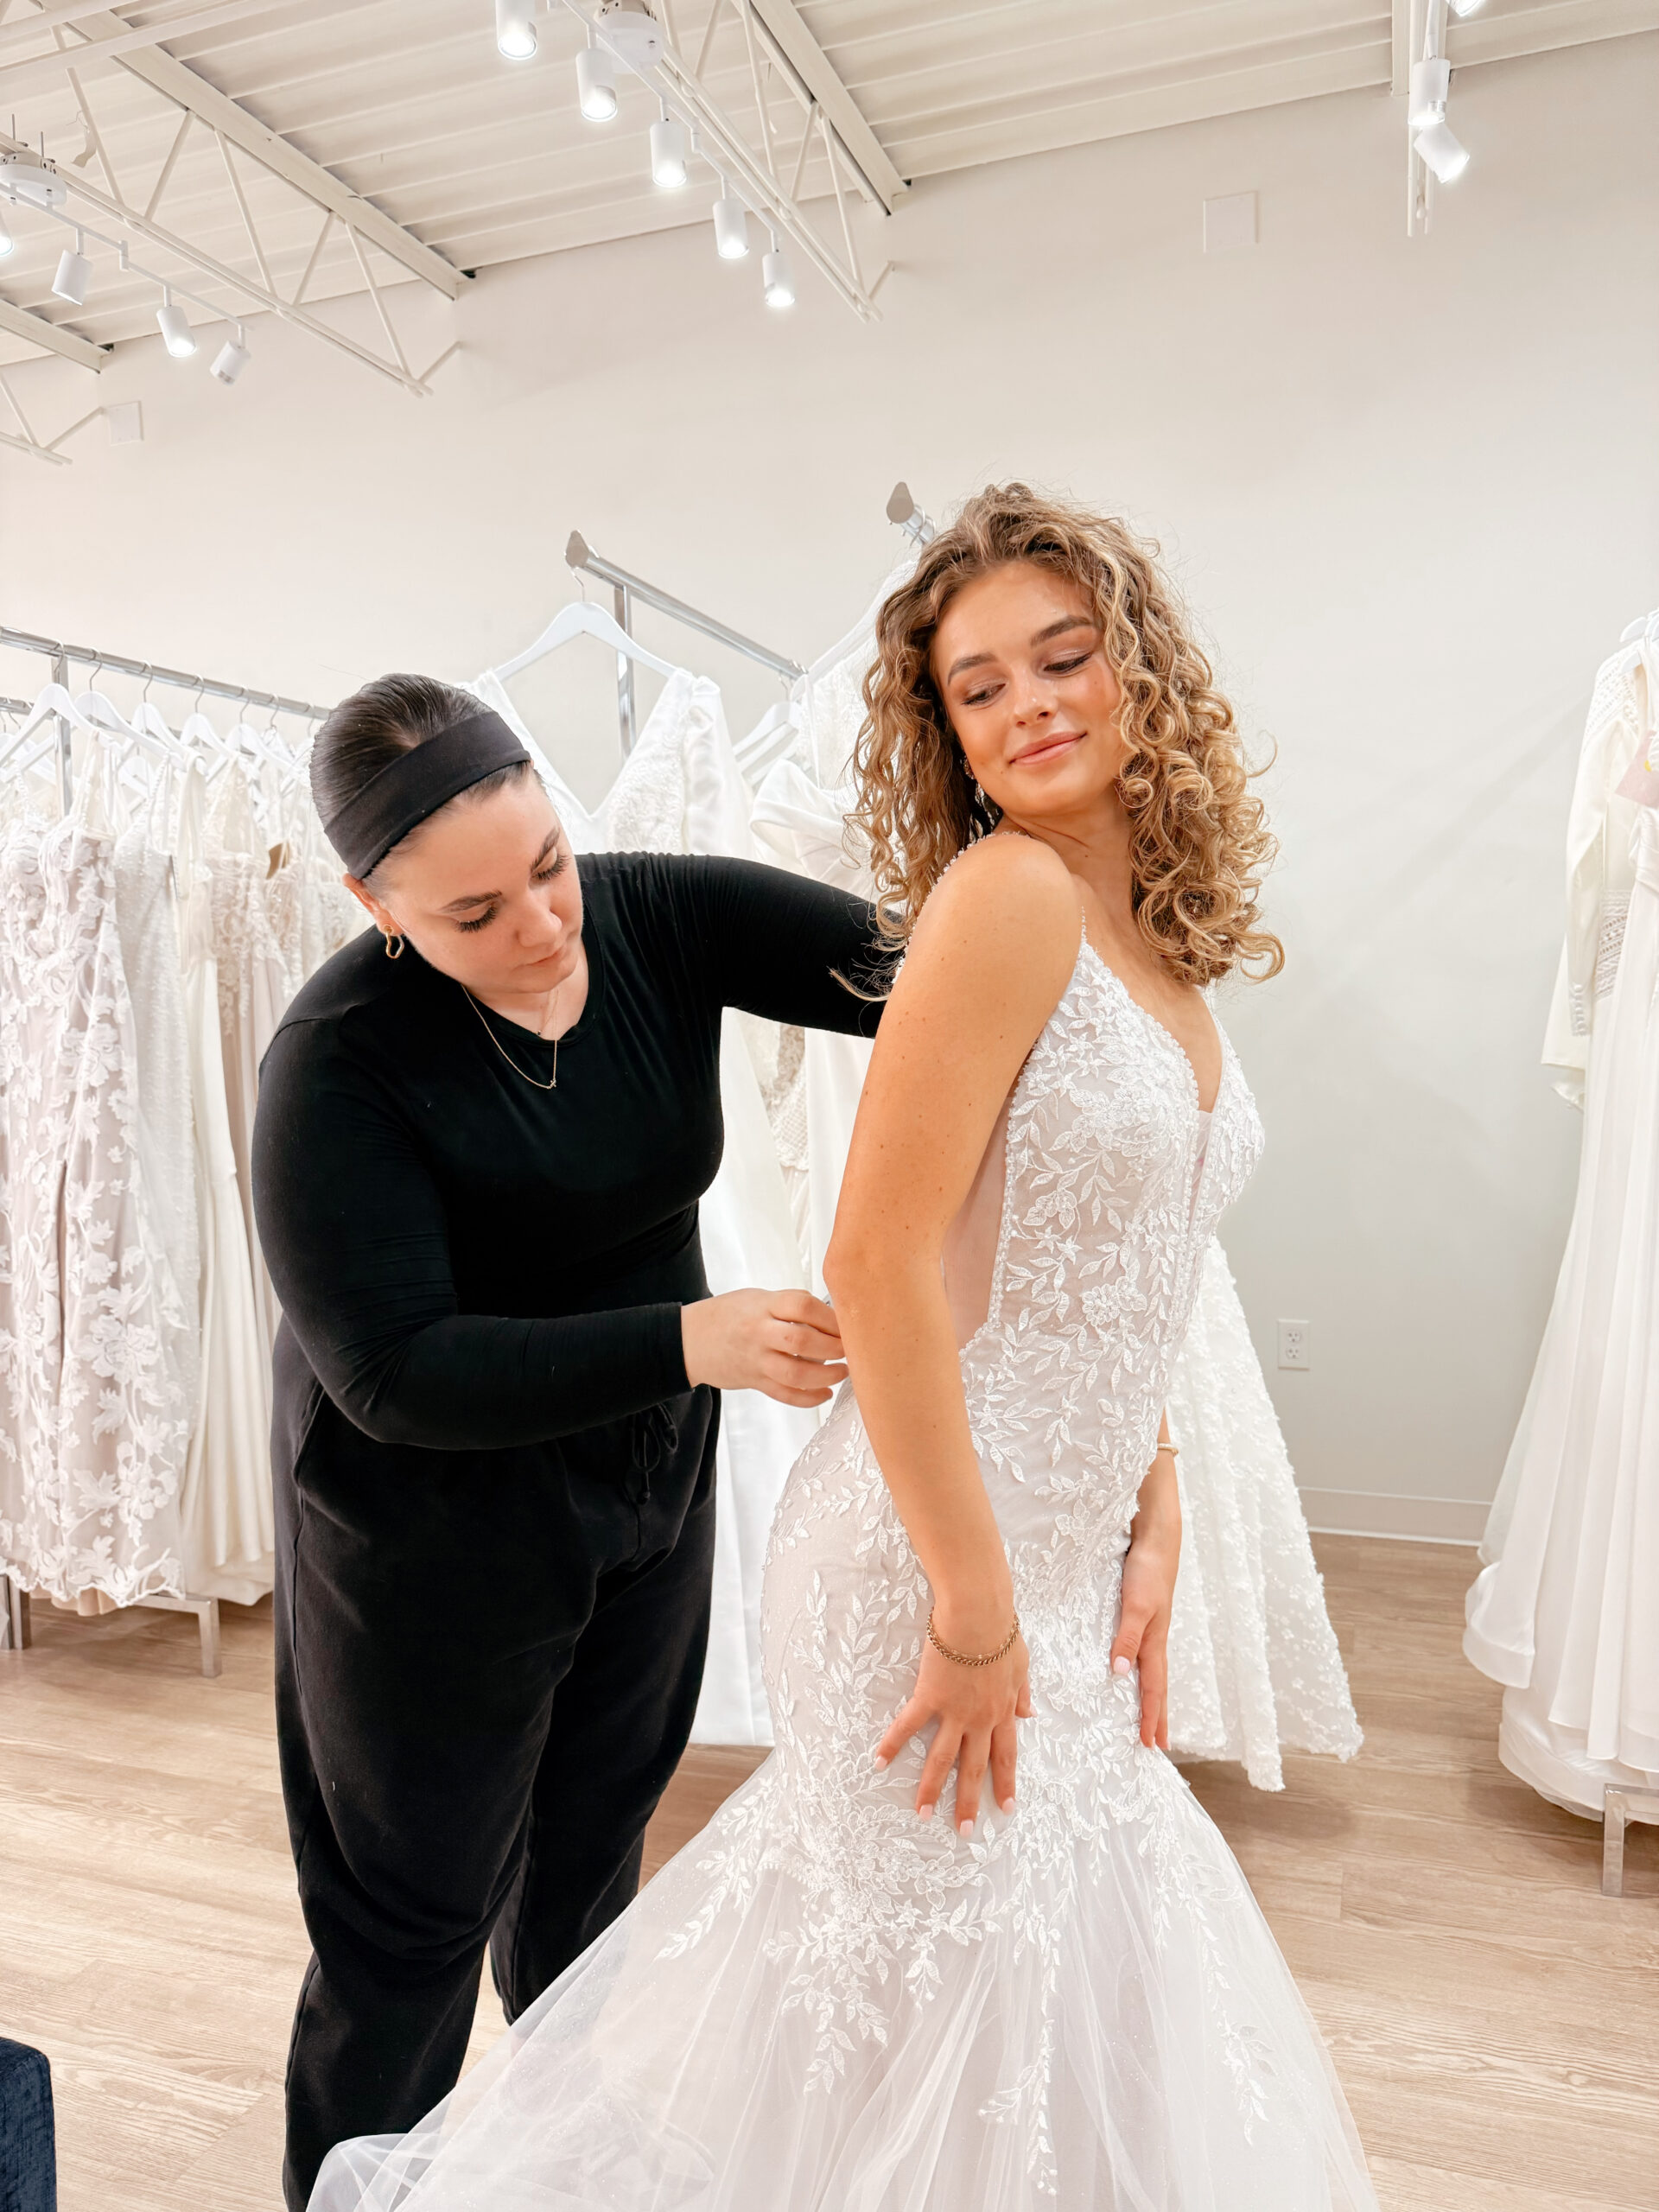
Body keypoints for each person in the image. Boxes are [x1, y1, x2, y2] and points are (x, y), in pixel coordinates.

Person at [309, 488, 1377, 2211]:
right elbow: (875, 1264)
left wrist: (1158, 1482)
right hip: (926, 1559)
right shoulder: (1007, 898)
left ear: (1137, 667)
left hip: (1050, 1534)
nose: (1032, 702)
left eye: (1063, 654)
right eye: (979, 685)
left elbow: (1122, 1253)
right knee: (927, 2018)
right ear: (944, 729)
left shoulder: (1151, 936)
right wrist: (969, 1602)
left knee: (1033, 2000)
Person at [253, 677, 894, 2207]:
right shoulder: (333, 1066)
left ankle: (554, 2165)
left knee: (595, 1868)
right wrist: (694, 1341)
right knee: (409, 1925)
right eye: (474, 913)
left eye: (548, 864)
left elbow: (923, 973)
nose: (543, 926)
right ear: (376, 905)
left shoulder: (649, 914)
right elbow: (394, 1372)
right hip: (426, 1534)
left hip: (641, 1489)